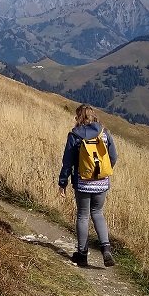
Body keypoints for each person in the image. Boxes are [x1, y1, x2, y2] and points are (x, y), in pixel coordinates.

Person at [58, 103, 118, 268]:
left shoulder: (75, 136)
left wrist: (62, 183)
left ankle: (82, 255)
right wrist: (103, 172)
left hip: (82, 182)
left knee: (83, 216)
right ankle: (106, 248)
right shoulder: (104, 134)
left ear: (79, 117)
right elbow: (113, 157)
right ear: (94, 116)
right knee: (98, 213)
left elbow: (67, 163)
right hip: (101, 182)